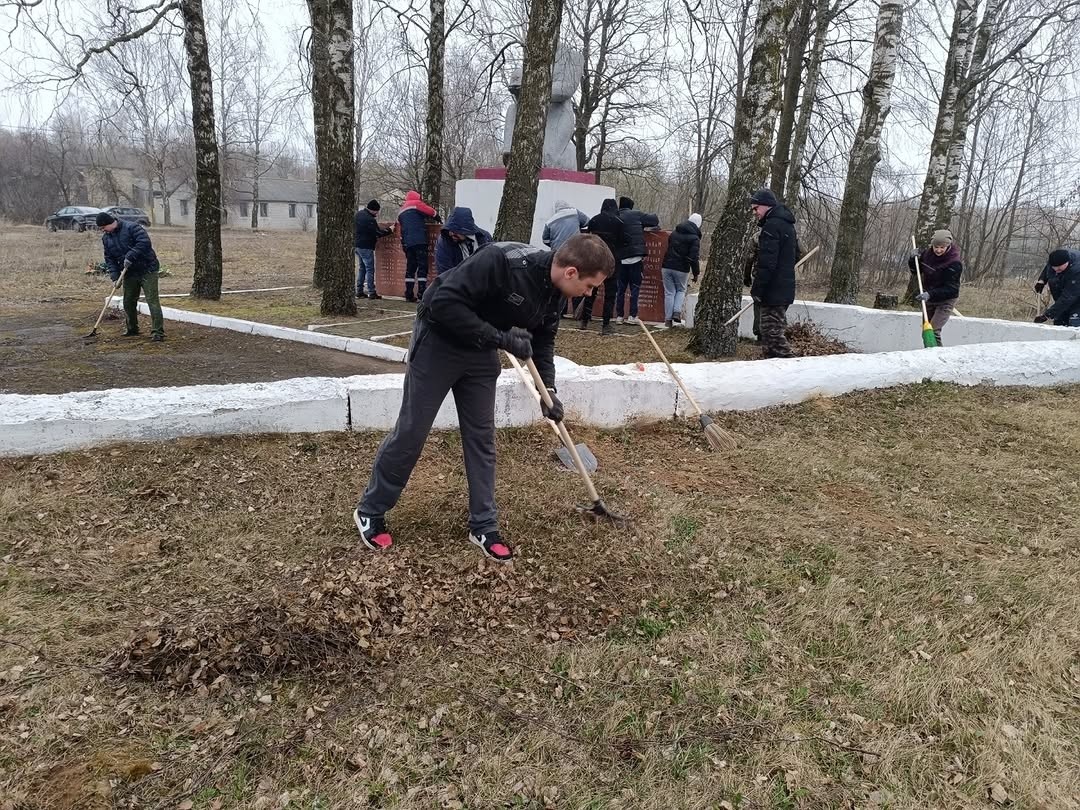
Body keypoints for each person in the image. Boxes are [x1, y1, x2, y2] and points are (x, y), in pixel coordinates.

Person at [352, 234, 615, 562]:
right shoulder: (501, 262)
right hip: (439, 341)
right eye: (591, 286)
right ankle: (371, 510)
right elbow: (442, 303)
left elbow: (542, 343)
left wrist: (548, 392)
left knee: (481, 439)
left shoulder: (556, 292)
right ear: (572, 272)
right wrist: (502, 339)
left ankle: (484, 526)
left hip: (480, 351)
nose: (590, 294)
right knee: (412, 431)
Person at [97, 211, 164, 342]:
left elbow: (144, 243)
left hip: (147, 269)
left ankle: (158, 332)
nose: (102, 230)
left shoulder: (132, 227)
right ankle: (132, 329)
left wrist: (130, 256)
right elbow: (109, 259)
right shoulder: (106, 238)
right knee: (128, 301)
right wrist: (115, 277)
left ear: (109, 223)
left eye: (103, 227)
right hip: (129, 273)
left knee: (152, 301)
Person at [748, 188, 799, 359]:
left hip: (773, 290)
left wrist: (758, 289)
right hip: (783, 288)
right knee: (770, 334)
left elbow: (766, 263)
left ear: (767, 205)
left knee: (772, 335)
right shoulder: (787, 225)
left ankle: (792, 369)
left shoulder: (771, 226)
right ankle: (771, 369)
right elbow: (796, 254)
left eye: (756, 208)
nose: (755, 212)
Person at [908, 229, 963, 345]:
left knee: (933, 330)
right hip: (929, 298)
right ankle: (928, 353)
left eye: (942, 247)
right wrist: (913, 259)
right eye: (936, 247)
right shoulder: (927, 255)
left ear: (948, 246)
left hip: (945, 301)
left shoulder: (954, 263)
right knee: (926, 331)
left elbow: (952, 290)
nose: (938, 250)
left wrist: (930, 294)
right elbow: (915, 271)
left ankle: (937, 357)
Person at [580, 198, 624, 334]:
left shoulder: (594, 220)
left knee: (591, 290)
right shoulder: (619, 223)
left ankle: (584, 320)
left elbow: (588, 239)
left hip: (596, 260)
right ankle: (606, 324)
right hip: (612, 261)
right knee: (610, 294)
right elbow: (624, 241)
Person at [614, 196, 660, 325]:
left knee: (621, 289)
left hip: (621, 258)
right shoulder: (636, 214)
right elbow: (654, 219)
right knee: (635, 288)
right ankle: (632, 316)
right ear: (631, 206)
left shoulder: (615, 215)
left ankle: (619, 316)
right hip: (635, 257)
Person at [397, 190, 440, 302]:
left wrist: (403, 243)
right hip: (419, 240)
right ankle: (422, 293)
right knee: (422, 267)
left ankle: (409, 294)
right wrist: (438, 219)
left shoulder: (401, 210)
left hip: (407, 242)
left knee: (410, 268)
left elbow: (400, 229)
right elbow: (432, 212)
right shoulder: (416, 204)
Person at [660, 213, 702, 328]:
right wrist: (696, 273)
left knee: (669, 292)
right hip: (681, 268)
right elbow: (693, 258)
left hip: (666, 266)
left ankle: (668, 320)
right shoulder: (694, 238)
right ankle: (677, 312)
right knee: (680, 290)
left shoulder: (674, 233)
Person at [434, 207, 492, 276]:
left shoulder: (484, 238)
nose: (451, 234)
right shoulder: (444, 243)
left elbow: (491, 265)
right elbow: (445, 275)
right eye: (450, 230)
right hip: (456, 283)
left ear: (466, 231)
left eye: (455, 232)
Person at [354, 199, 393, 299]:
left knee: (362, 268)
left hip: (356, 245)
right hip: (366, 246)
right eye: (377, 211)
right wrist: (390, 230)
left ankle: (359, 290)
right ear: (373, 210)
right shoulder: (370, 220)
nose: (377, 213)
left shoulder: (358, 214)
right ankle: (371, 292)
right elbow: (378, 233)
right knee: (370, 269)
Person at [1033, 248, 1080, 327]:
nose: (1056, 271)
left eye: (1059, 268)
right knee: (1059, 323)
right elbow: (1048, 268)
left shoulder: (1077, 270)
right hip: (1062, 297)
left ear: (1067, 262)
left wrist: (1047, 315)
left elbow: (1068, 296)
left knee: (1074, 326)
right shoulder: (1055, 259)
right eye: (1054, 268)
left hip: (1077, 299)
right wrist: (1042, 280)